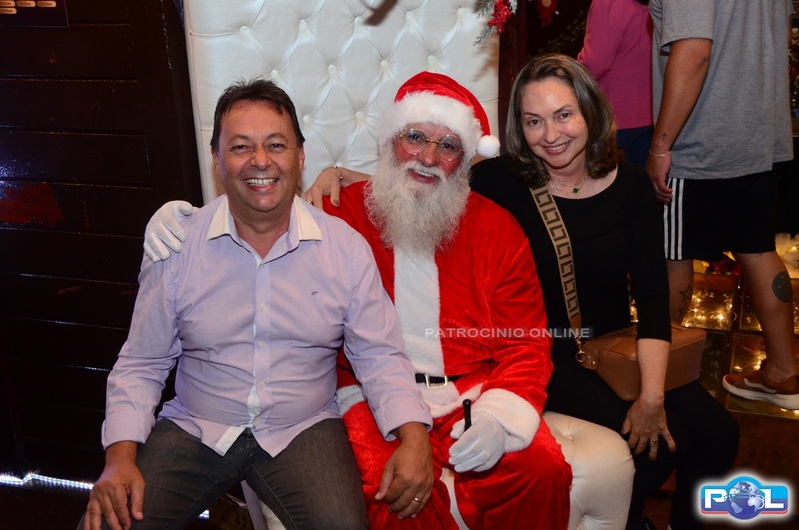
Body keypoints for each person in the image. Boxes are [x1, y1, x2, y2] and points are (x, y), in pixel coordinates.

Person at [286, 56, 740, 530]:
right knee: (661, 442)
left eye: (564, 114)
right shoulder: (504, 180)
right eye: (533, 121)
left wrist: (650, 395)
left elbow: (651, 298)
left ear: (590, 111)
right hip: (555, 353)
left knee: (716, 432)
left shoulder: (626, 186)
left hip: (608, 346)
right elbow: (417, 184)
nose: (551, 134)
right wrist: (337, 174)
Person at [144, 71, 573, 530]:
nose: (429, 157)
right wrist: (178, 219)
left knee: (543, 471)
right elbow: (261, 207)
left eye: (448, 146)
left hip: (472, 391)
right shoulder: (339, 210)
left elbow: (526, 342)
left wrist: (499, 418)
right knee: (393, 492)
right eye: (414, 138)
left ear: (464, 160)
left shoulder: (498, 229)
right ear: (390, 142)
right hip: (369, 392)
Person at [80, 79, 434, 530]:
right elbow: (142, 362)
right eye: (241, 146)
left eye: (276, 145)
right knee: (108, 525)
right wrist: (119, 458)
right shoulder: (178, 245)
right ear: (217, 159)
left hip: (302, 427)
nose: (260, 160)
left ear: (300, 157)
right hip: (198, 424)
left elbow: (379, 354)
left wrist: (414, 437)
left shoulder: (344, 249)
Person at [647, 0, 799, 410]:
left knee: (673, 254)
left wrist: (661, 146)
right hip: (758, 133)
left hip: (701, 138)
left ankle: (658, 378)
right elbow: (782, 33)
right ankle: (783, 373)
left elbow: (694, 51)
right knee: (758, 248)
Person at [578, 0, 653, 167]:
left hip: (613, 118)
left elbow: (594, 65)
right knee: (639, 181)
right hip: (650, 117)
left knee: (606, 181)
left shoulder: (608, 3)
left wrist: (566, 79)